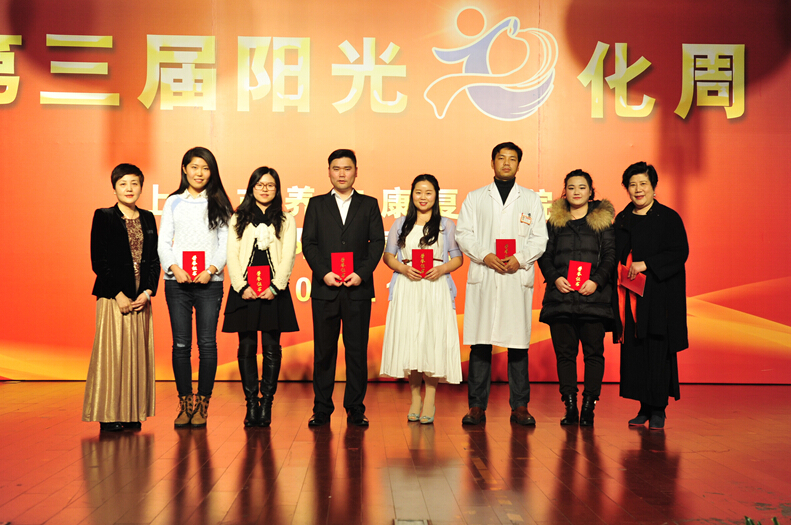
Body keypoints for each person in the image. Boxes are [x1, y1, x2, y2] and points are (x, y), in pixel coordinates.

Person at [455, 142, 548, 426]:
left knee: (518, 345)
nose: (506, 163)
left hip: (515, 277)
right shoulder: (475, 198)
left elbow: (540, 238)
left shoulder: (530, 199)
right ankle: (476, 406)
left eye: (512, 159)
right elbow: (463, 233)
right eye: (501, 158)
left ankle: (520, 405)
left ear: (519, 164)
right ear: (492, 162)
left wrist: (520, 259)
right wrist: (485, 255)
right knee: (481, 343)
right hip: (485, 274)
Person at [302, 149, 385, 428]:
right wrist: (323, 273)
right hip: (325, 288)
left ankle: (355, 408)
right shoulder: (316, 204)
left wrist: (361, 274)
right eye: (336, 168)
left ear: (356, 172)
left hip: (357, 290)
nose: (341, 174)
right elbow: (309, 243)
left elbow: (377, 243)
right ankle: (322, 409)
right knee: (324, 352)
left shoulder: (369, 204)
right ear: (329, 171)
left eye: (347, 168)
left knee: (356, 351)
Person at [158, 147, 233, 428]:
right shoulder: (173, 202)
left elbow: (226, 244)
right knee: (181, 345)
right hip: (176, 284)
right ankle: (185, 403)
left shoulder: (219, 202)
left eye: (205, 168)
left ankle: (202, 404)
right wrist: (174, 269)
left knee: (207, 344)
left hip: (209, 284)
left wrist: (211, 270)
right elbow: (164, 241)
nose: (199, 173)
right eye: (194, 167)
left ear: (212, 172)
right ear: (184, 169)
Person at [380, 174, 464, 424]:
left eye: (428, 192)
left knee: (431, 340)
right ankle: (415, 398)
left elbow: (458, 258)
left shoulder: (446, 225)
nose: (423, 197)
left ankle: (431, 399)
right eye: (418, 192)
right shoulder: (400, 224)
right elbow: (388, 256)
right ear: (412, 195)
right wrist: (403, 268)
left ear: (436, 196)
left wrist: (442, 269)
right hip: (408, 286)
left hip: (435, 287)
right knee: (411, 341)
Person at [83, 163, 161, 432]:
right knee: (112, 356)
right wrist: (118, 294)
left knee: (136, 358)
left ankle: (131, 413)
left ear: (141, 187)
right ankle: (108, 414)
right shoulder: (104, 216)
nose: (129, 189)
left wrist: (148, 292)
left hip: (141, 300)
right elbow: (99, 261)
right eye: (123, 183)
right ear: (114, 187)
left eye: (134, 183)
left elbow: (154, 260)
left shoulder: (148, 218)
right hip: (113, 299)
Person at [613, 161, 689, 430]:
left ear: (653, 186)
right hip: (631, 298)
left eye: (643, 184)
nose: (638, 189)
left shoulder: (668, 217)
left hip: (659, 299)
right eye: (632, 184)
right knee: (635, 353)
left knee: (657, 351)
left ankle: (658, 409)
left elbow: (680, 253)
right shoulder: (622, 219)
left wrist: (647, 264)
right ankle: (643, 407)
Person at [537, 169, 616, 426]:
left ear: (591, 191)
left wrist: (596, 281)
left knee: (594, 354)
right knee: (565, 355)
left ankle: (589, 406)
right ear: (565, 191)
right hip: (561, 298)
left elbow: (610, 256)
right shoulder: (555, 222)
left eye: (582, 187)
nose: (576, 192)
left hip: (594, 299)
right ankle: (570, 405)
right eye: (571, 187)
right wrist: (555, 278)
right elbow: (544, 255)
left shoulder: (603, 221)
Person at [223, 167, 299, 427]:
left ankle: (266, 403)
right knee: (246, 348)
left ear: (277, 190)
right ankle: (250, 404)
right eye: (260, 184)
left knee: (271, 348)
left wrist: (276, 286)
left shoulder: (286, 219)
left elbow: (288, 255)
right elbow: (232, 254)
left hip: (273, 290)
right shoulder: (238, 218)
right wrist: (240, 285)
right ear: (251, 188)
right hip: (244, 290)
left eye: (270, 185)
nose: (265, 189)